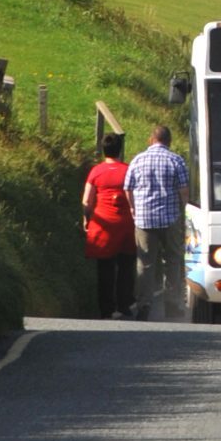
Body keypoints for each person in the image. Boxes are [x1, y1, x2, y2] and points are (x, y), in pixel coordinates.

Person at [124, 126, 189, 321]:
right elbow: (184, 190)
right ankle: (172, 303)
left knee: (145, 263)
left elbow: (128, 188)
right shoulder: (176, 160)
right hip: (170, 218)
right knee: (173, 260)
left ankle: (144, 304)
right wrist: (182, 209)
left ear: (151, 139)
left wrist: (133, 207)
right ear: (169, 141)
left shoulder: (137, 160)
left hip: (144, 220)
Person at [83, 132, 136, 320]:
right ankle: (124, 305)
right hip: (125, 224)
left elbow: (87, 200)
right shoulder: (129, 170)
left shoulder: (96, 171)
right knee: (126, 266)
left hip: (103, 224)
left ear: (103, 149)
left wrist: (86, 219)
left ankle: (105, 309)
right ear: (120, 149)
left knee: (104, 268)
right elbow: (134, 197)